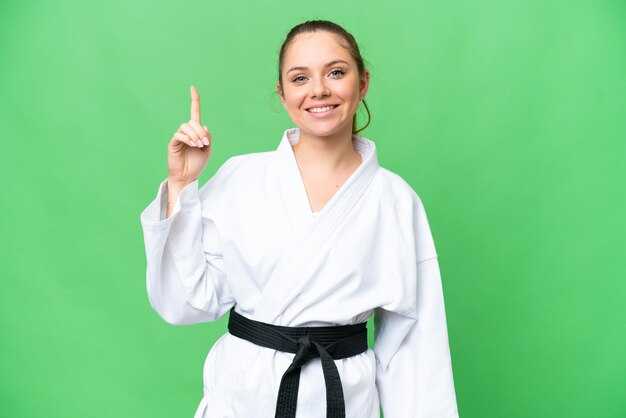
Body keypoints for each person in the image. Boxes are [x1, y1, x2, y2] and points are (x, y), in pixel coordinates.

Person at [140, 20, 459, 418]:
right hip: (244, 396)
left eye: (336, 72)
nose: (319, 90)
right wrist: (181, 184)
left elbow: (415, 345)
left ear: (362, 84)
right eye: (299, 78)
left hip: (341, 398)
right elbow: (186, 303)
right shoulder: (241, 178)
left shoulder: (395, 200)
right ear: (283, 92)